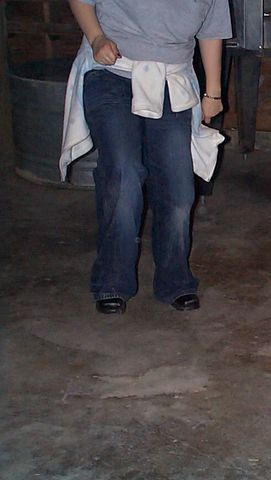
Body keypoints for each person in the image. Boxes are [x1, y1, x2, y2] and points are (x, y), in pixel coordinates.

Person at [60, 0, 232, 314]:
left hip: (172, 80)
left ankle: (174, 281)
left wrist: (213, 92)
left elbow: (212, 30)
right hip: (112, 74)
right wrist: (97, 38)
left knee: (178, 190)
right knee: (124, 175)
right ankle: (112, 281)